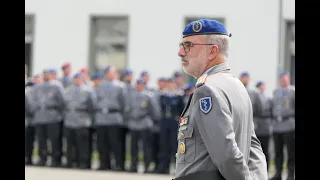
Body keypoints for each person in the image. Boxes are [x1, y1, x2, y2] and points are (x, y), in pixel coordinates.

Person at [175, 19, 268, 180]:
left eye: (188, 45)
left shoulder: (207, 90)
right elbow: (254, 150)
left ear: (212, 51)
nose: (181, 52)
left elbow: (227, 155)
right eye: (182, 45)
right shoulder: (237, 86)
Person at [94, 66, 127, 171]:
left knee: (116, 143)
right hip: (102, 117)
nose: (109, 74)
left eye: (111, 72)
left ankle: (118, 164)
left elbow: (124, 103)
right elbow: (96, 100)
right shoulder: (100, 86)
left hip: (114, 118)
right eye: (107, 72)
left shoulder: (120, 86)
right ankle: (104, 164)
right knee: (102, 143)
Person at [32, 69, 65, 167]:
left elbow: (62, 102)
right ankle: (42, 158)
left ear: (51, 75)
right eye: (44, 74)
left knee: (54, 140)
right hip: (40, 115)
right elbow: (34, 99)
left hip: (52, 116)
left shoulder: (56, 86)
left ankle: (55, 160)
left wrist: (58, 113)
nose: (45, 76)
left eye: (47, 74)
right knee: (41, 139)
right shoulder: (38, 86)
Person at [63, 73, 96, 169]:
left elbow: (92, 106)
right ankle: (70, 162)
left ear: (83, 79)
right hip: (70, 120)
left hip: (82, 120)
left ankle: (83, 163)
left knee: (82, 144)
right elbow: (64, 105)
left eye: (79, 79)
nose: (76, 80)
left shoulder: (88, 91)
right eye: (75, 79)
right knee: (70, 143)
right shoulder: (68, 90)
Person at [127, 78, 158, 173]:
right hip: (134, 124)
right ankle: (133, 165)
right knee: (133, 147)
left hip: (145, 123)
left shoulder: (148, 96)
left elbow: (154, 111)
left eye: (140, 84)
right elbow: (128, 109)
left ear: (143, 85)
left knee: (146, 147)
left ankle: (147, 166)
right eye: (137, 84)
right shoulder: (131, 95)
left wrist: (152, 121)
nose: (138, 86)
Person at [155, 77, 184, 174]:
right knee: (164, 144)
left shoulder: (178, 96)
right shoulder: (163, 95)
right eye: (168, 84)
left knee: (174, 144)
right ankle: (164, 167)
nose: (170, 86)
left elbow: (182, 109)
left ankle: (176, 168)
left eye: (172, 84)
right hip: (165, 121)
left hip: (174, 121)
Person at [270, 72, 295, 180]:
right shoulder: (276, 92)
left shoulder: (292, 91)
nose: (283, 81)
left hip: (289, 126)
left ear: (288, 79)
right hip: (277, 126)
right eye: (281, 79)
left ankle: (290, 174)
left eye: (285, 79)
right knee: (278, 152)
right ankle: (278, 173)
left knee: (290, 152)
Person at [254, 81, 273, 170]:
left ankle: (267, 169)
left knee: (266, 150)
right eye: (260, 86)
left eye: (262, 86)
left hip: (266, 126)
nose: (261, 88)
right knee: (257, 149)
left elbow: (272, 111)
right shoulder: (255, 97)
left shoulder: (269, 97)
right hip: (258, 126)